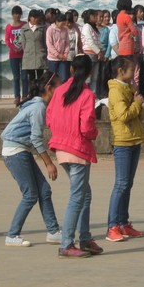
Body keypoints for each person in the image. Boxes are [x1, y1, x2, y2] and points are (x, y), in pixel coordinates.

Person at [46, 54, 102, 258]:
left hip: (61, 147)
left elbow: (49, 118)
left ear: (71, 70)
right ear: (89, 73)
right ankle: (67, 243)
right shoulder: (87, 95)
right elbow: (86, 127)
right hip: (77, 149)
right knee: (77, 196)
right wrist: (94, 134)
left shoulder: (60, 91)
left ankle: (85, 238)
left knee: (84, 193)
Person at [0, 71, 63, 247]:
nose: (61, 91)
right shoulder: (38, 107)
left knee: (44, 191)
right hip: (15, 151)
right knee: (30, 195)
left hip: (21, 150)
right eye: (59, 87)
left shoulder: (37, 104)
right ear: (49, 88)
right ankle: (12, 235)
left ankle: (53, 232)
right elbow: (36, 139)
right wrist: (49, 163)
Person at [105, 56, 144, 242]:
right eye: (131, 70)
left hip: (134, 138)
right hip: (122, 141)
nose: (134, 73)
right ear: (121, 71)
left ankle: (123, 223)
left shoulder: (129, 88)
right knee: (121, 183)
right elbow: (123, 115)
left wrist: (137, 101)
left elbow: (139, 115)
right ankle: (112, 226)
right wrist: (136, 103)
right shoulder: (116, 91)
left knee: (127, 183)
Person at [5, 5, 28, 106]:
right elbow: (7, 40)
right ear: (12, 15)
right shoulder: (9, 26)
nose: (17, 16)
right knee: (16, 77)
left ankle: (25, 95)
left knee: (24, 76)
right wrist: (13, 47)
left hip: (24, 54)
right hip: (13, 55)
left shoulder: (25, 24)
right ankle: (17, 96)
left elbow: (27, 38)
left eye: (18, 14)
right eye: (15, 14)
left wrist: (22, 47)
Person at [21, 9, 48, 89]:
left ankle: (40, 93)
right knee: (31, 77)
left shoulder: (42, 28)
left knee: (41, 77)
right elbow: (23, 43)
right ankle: (32, 93)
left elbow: (44, 41)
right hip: (29, 56)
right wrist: (28, 51)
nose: (36, 19)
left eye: (37, 17)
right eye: (34, 17)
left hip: (40, 54)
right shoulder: (24, 28)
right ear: (30, 17)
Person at [80, 9, 103, 98]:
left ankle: (93, 95)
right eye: (94, 16)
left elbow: (98, 41)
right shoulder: (86, 26)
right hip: (89, 53)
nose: (96, 17)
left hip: (96, 54)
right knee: (88, 77)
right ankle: (85, 96)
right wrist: (98, 52)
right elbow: (90, 41)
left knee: (95, 77)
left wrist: (101, 51)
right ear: (89, 17)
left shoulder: (94, 28)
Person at [46, 12, 70, 82]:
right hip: (52, 59)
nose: (63, 25)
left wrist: (65, 54)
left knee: (63, 78)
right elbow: (49, 44)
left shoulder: (65, 30)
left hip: (62, 59)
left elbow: (67, 43)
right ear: (56, 21)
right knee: (52, 79)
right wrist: (57, 54)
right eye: (62, 24)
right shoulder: (50, 29)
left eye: (64, 24)